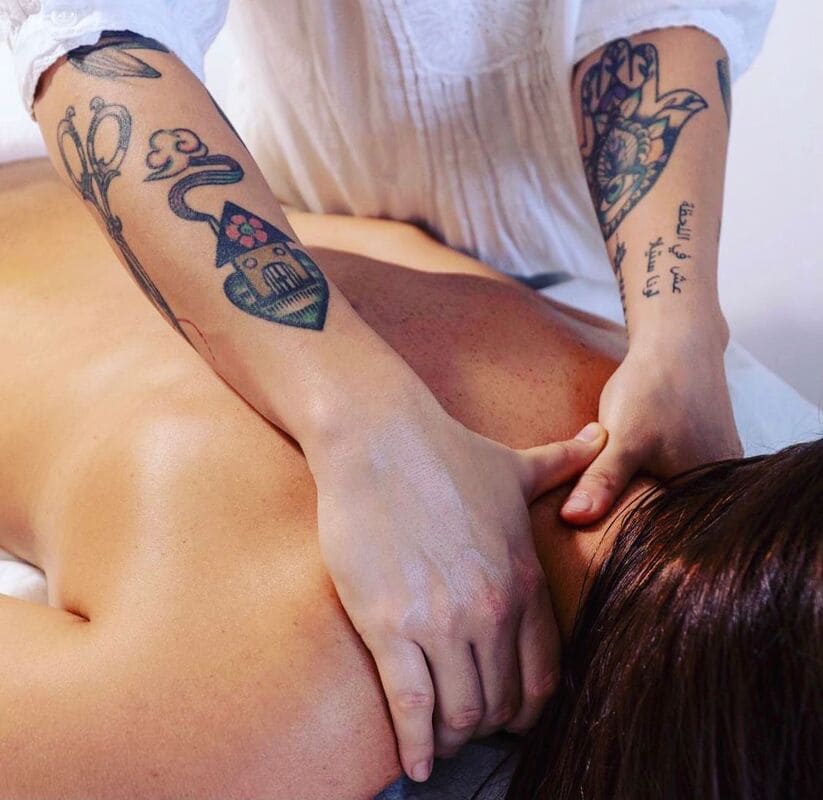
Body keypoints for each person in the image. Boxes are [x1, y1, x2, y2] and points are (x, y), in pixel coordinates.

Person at [0, 0, 772, 781]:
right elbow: (87, 21)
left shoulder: (585, 356)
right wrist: (359, 424)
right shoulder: (278, 718)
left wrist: (678, 331)